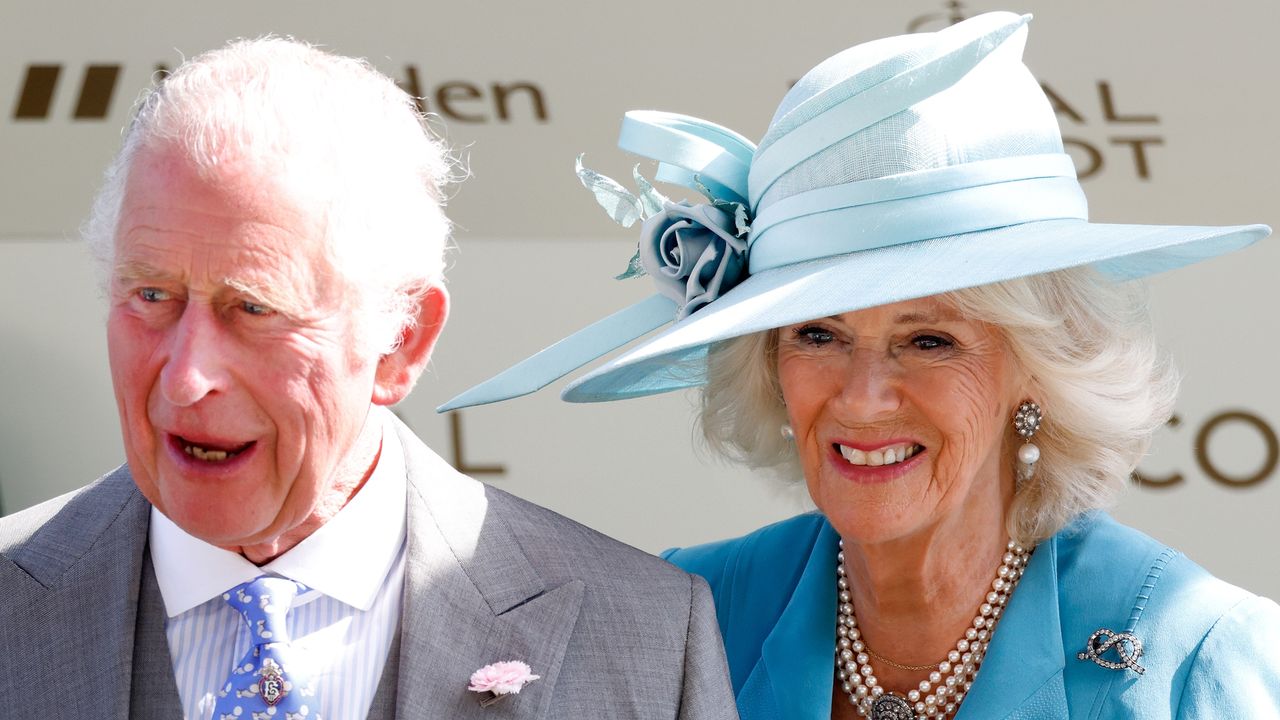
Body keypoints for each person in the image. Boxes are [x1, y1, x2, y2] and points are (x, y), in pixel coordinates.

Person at [439, 12, 1280, 719]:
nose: (864, 397)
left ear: (1037, 370)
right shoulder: (686, 611)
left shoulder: (1195, 660)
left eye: (930, 340)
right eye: (817, 335)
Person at [0, 38, 738, 720]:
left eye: (254, 308)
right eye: (151, 296)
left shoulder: (645, 640)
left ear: (401, 343)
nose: (187, 377)